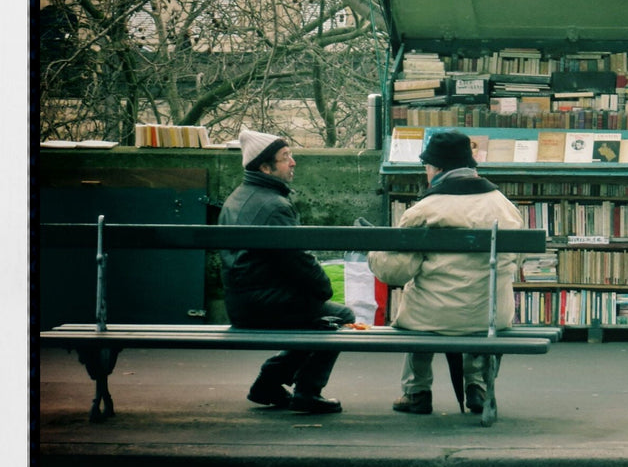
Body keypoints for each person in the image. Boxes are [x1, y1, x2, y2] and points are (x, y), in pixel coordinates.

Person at [368, 130, 524, 416]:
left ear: (436, 168)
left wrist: (373, 252)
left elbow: (396, 273)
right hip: (491, 316)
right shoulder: (505, 206)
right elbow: (518, 258)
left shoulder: (425, 209)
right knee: (478, 296)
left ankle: (417, 392)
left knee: (417, 306)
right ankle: (478, 386)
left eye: (426, 167)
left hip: (433, 317)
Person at [220, 126, 355, 414]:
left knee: (317, 318)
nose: (293, 162)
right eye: (286, 157)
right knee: (339, 315)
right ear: (266, 168)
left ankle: (268, 383)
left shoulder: (238, 198)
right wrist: (323, 289)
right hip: (262, 305)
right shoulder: (273, 206)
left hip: (243, 301)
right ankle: (307, 391)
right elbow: (297, 260)